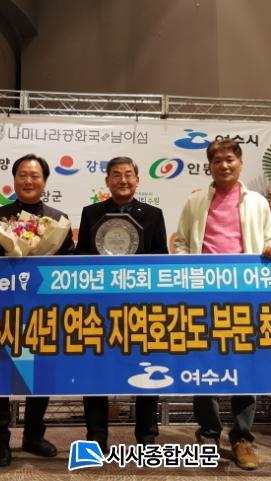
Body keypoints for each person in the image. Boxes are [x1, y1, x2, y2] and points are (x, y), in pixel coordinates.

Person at [174, 139, 271, 470]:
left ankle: (242, 438)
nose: (224, 165)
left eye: (230, 159)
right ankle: (208, 434)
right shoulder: (194, 201)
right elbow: (180, 242)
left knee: (245, 367)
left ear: (240, 163)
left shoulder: (257, 202)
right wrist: (186, 269)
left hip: (245, 296)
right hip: (202, 296)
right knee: (204, 366)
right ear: (209, 166)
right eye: (217, 160)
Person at [0, 154, 74, 467]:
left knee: (40, 372)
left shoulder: (58, 220)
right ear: (14, 179)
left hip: (42, 308)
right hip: (1, 308)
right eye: (22, 174)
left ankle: (33, 435)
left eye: (34, 175)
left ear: (44, 182)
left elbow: (69, 264)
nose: (28, 180)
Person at [75, 156, 168, 452]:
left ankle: (147, 436)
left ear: (137, 180)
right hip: (100, 306)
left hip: (141, 305)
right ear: (107, 181)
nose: (123, 180)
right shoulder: (91, 213)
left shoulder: (153, 214)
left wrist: (134, 263)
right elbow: (81, 255)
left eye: (129, 174)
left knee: (147, 368)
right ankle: (96, 436)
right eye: (116, 175)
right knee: (96, 371)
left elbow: (162, 256)